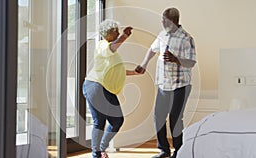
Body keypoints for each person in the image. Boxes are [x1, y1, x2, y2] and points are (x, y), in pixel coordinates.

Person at [135, 7, 197, 158]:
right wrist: (144, 64)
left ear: (174, 20)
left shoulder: (186, 38)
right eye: (162, 19)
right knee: (158, 116)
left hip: (180, 85)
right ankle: (163, 150)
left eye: (165, 20)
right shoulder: (162, 34)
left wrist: (176, 59)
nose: (162, 22)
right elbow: (152, 49)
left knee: (175, 119)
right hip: (164, 85)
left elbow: (191, 62)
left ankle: (179, 151)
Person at [82, 19, 140, 158]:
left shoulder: (110, 51)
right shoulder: (102, 45)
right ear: (108, 34)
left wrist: (135, 72)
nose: (118, 33)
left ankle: (100, 150)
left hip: (102, 87)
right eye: (116, 31)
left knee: (112, 121)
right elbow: (114, 46)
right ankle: (98, 152)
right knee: (106, 121)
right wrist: (124, 37)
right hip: (96, 86)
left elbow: (117, 70)